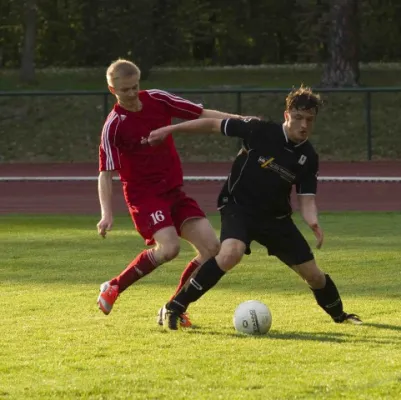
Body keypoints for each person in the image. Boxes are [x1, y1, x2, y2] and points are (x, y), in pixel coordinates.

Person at [147, 85, 363, 330]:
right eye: (298, 118)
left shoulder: (308, 156)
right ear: (286, 115)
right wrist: (169, 129)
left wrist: (312, 221)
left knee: (313, 275)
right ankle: (176, 306)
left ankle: (340, 316)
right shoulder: (258, 130)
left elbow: (306, 198)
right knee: (230, 253)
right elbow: (210, 125)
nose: (303, 125)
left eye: (310, 120)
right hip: (239, 207)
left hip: (276, 219)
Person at [96, 58, 252, 327]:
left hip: (174, 192)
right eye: (125, 90)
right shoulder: (114, 125)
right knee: (169, 248)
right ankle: (114, 286)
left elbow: (200, 114)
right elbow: (105, 172)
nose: (132, 94)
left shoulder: (157, 99)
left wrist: (240, 121)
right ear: (113, 90)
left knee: (212, 249)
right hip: (144, 196)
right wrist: (106, 214)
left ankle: (174, 307)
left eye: (135, 87)